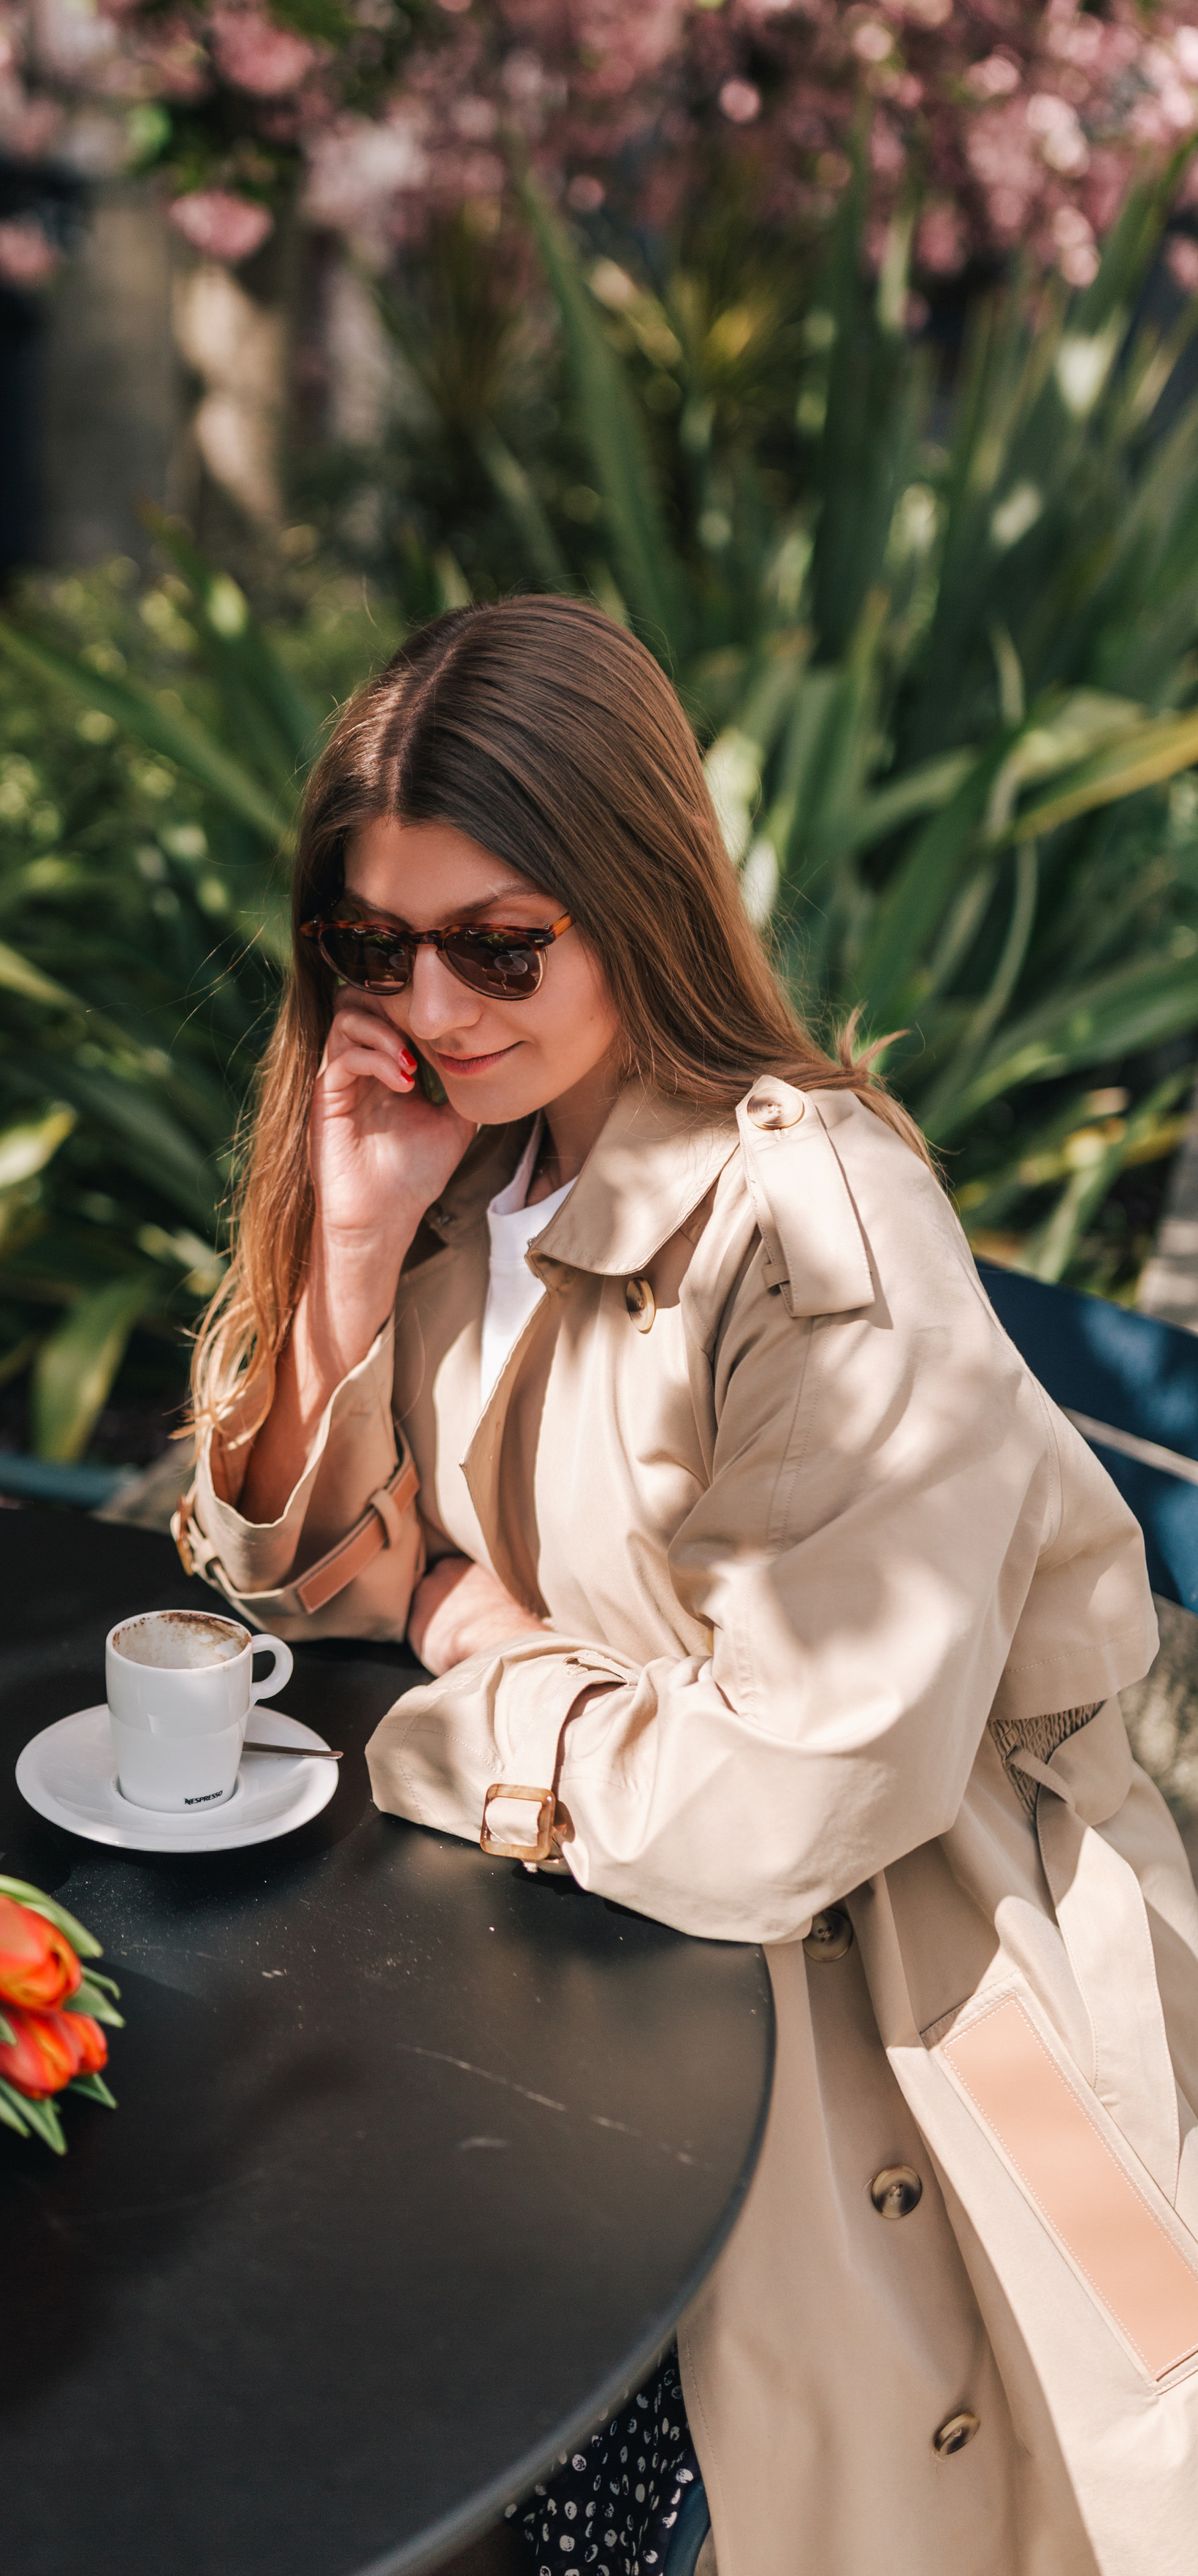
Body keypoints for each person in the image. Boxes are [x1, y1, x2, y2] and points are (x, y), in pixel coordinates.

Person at [175, 596, 1198, 2576]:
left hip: (888, 2043)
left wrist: (471, 1646)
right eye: (371, 947)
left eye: (500, 945)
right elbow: (300, 1580)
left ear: (637, 895)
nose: (436, 1004)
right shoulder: (467, 1167)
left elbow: (788, 1810)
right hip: (560, 1988)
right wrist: (353, 1260)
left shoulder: (815, 1230)